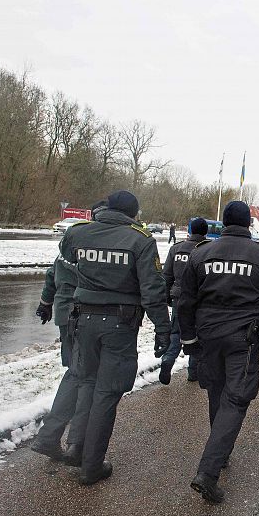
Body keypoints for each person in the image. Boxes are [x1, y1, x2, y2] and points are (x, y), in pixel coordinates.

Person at [178, 201, 259, 504]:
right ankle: (208, 471)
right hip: (244, 338)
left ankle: (220, 449)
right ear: (249, 223)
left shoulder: (200, 253)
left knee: (217, 392)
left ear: (224, 222)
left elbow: (185, 301)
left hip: (208, 337)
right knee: (236, 399)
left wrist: (187, 338)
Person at [59, 190, 171, 485]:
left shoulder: (79, 233)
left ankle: (76, 446)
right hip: (119, 326)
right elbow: (152, 290)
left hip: (82, 321)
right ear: (134, 213)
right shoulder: (141, 239)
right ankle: (91, 466)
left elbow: (66, 256)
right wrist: (163, 328)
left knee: (87, 383)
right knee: (107, 394)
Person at [30, 200, 106, 466]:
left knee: (77, 373)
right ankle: (65, 441)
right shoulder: (97, 244)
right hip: (81, 315)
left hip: (65, 313)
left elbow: (53, 273)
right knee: (82, 377)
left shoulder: (73, 238)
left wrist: (45, 303)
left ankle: (57, 438)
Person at [160, 217, 210, 383]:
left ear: (189, 231)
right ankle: (193, 372)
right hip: (200, 299)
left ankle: (168, 359)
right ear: (206, 232)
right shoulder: (208, 249)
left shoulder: (176, 249)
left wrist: (167, 297)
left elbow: (167, 275)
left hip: (178, 298)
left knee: (176, 331)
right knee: (197, 334)